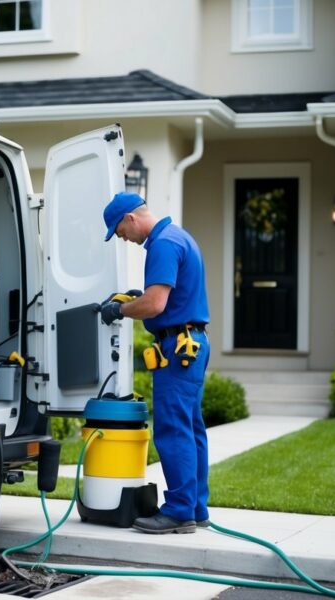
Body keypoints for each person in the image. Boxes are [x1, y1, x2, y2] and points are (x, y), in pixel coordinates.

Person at [100, 191, 211, 534]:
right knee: (191, 429)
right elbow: (164, 297)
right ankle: (195, 507)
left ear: (131, 218)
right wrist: (140, 297)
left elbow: (156, 305)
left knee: (172, 429)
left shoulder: (162, 243)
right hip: (191, 343)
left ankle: (178, 512)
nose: (123, 238)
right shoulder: (179, 236)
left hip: (177, 349)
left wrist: (120, 309)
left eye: (119, 230)